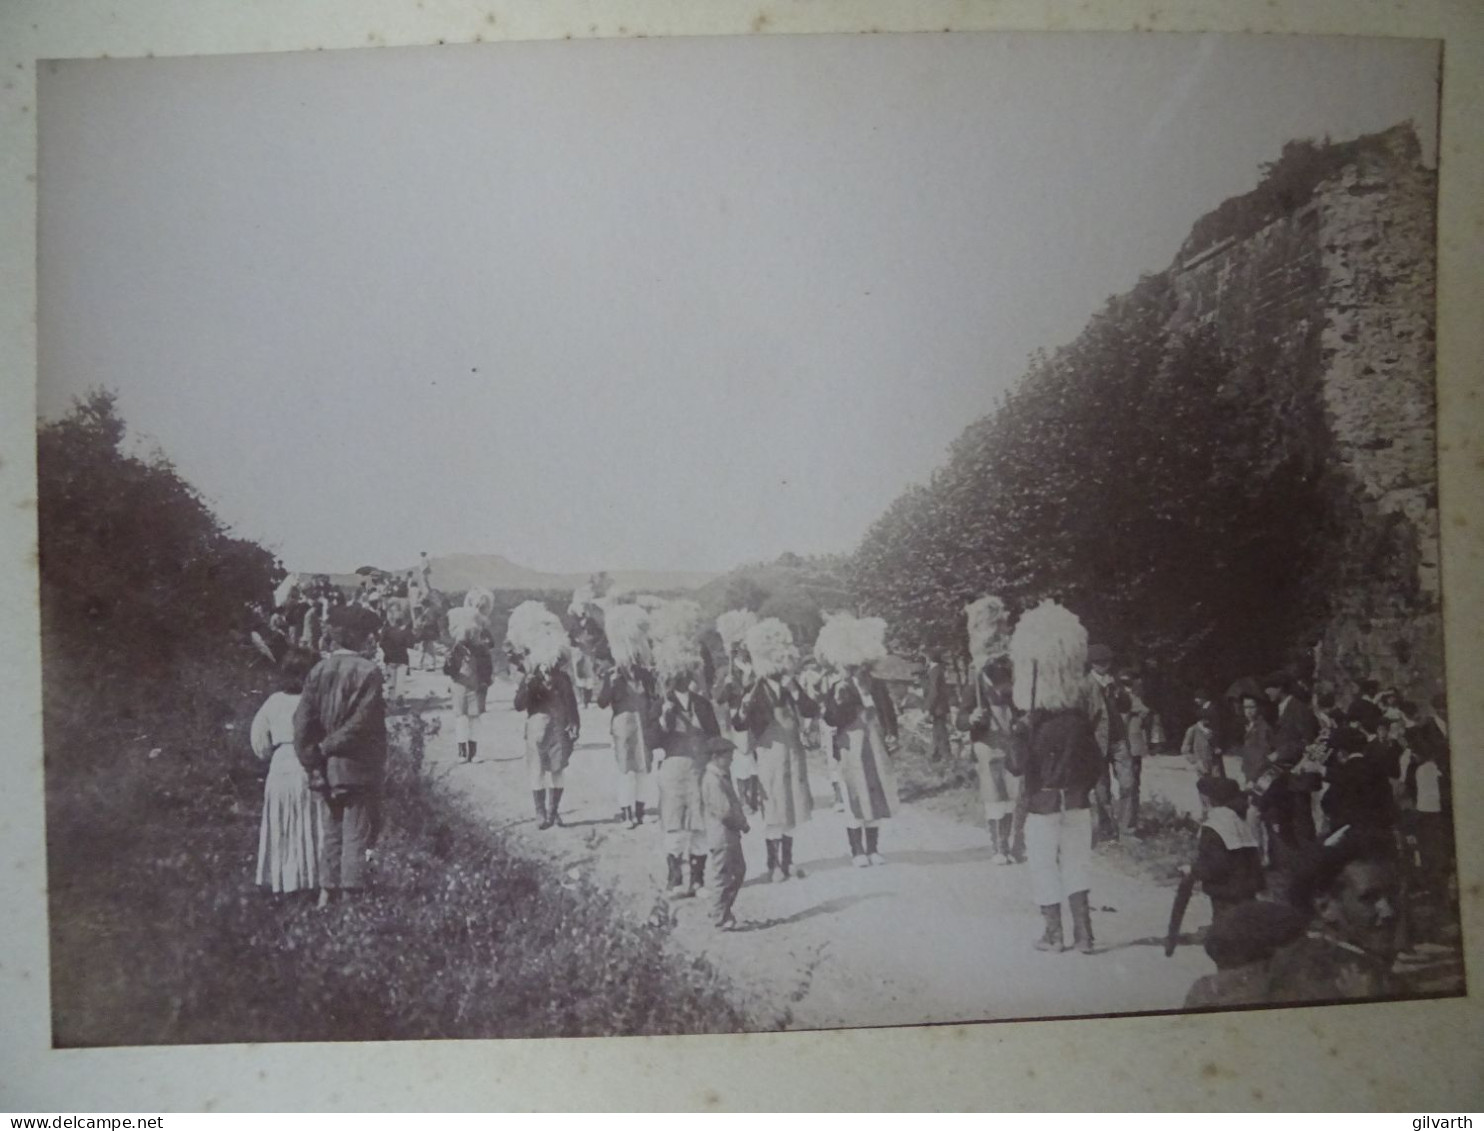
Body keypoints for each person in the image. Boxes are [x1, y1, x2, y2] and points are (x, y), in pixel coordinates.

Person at [1008, 601, 1106, 954]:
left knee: (1044, 867)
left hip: (1043, 804)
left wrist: (1018, 734)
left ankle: (1054, 934)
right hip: (1077, 802)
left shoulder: (1033, 725)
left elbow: (1016, 768)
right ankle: (1085, 936)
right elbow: (1096, 765)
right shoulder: (1079, 722)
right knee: (1078, 866)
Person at [293, 606, 387, 908]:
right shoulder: (369, 671)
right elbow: (363, 723)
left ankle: (325, 895)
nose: (371, 639)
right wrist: (328, 747)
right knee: (357, 834)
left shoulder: (318, 670)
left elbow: (301, 723)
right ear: (356, 636)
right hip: (357, 765)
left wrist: (313, 760)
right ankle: (352, 904)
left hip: (324, 768)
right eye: (367, 634)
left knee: (331, 832)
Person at [734, 618, 816, 884]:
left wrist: (795, 690)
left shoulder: (792, 688)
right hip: (769, 754)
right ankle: (774, 864)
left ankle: (788, 860)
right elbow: (739, 723)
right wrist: (744, 708)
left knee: (791, 804)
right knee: (773, 808)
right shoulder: (756, 690)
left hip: (792, 752)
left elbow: (811, 710)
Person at [820, 629, 900, 868]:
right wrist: (839, 701)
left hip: (874, 746)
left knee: (874, 794)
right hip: (849, 749)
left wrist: (893, 734)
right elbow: (831, 720)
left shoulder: (877, 686)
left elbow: (889, 714)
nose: (861, 670)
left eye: (864, 666)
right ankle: (857, 850)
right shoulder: (839, 687)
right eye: (856, 666)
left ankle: (873, 848)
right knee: (853, 794)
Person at [251, 648, 322, 894]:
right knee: (310, 820)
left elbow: (258, 740)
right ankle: (310, 880)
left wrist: (269, 755)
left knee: (282, 822)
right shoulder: (315, 702)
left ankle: (284, 881)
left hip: (280, 764)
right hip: (308, 762)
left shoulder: (273, 702)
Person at [654, 667, 722, 898]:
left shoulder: (702, 704)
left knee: (700, 824)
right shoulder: (662, 704)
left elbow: (715, 735)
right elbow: (652, 740)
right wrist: (664, 719)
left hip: (700, 768)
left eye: (684, 675)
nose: (680, 679)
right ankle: (674, 880)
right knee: (675, 825)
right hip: (674, 769)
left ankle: (698, 880)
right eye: (675, 676)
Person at [596, 604, 658, 829]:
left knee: (643, 769)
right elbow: (602, 703)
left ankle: (640, 812)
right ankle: (626, 813)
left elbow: (654, 697)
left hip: (643, 724)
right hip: (623, 726)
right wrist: (610, 687)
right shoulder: (614, 675)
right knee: (626, 771)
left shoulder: (645, 674)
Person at [958, 654, 1020, 864]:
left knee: (1011, 794)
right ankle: (998, 848)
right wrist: (971, 718)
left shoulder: (1008, 684)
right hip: (986, 744)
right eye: (993, 664)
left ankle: (1007, 844)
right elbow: (960, 720)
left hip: (1008, 744)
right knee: (994, 795)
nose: (998, 668)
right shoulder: (973, 689)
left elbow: (1018, 712)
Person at [513, 653, 581, 830]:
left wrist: (574, 723)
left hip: (559, 726)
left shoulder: (562, 677)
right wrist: (528, 686)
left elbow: (571, 702)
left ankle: (553, 811)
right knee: (537, 770)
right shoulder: (531, 678)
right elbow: (518, 705)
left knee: (557, 769)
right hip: (537, 727)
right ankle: (540, 812)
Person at [1189, 776, 1264, 923]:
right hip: (1247, 890)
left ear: (1208, 799)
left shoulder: (1214, 826)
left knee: (1227, 931)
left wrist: (1194, 870)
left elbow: (1216, 865)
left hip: (1225, 892)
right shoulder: (1239, 820)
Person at [1083, 643, 1135, 839]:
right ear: (1092, 664)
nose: (1104, 666)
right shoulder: (1085, 686)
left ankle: (1126, 830)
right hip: (1096, 742)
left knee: (1128, 783)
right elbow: (1084, 717)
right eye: (1100, 663)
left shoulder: (1115, 683)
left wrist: (1119, 693)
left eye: (1107, 662)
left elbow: (1125, 707)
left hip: (1119, 740)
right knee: (1101, 789)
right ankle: (1107, 829)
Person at [700, 736, 749, 930]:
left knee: (736, 872)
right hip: (723, 836)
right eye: (728, 756)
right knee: (724, 875)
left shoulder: (720, 776)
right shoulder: (713, 780)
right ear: (715, 756)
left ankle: (721, 910)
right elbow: (724, 811)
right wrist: (742, 824)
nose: (731, 760)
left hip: (728, 835)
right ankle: (719, 914)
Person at [444, 609, 494, 764]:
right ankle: (462, 752)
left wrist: (486, 681)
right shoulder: (456, 649)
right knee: (462, 718)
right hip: (460, 684)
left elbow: (488, 667)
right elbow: (447, 670)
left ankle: (472, 753)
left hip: (476, 684)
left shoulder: (481, 649)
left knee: (474, 718)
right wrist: (450, 659)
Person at [921, 650, 953, 762]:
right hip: (941, 707)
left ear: (930, 658)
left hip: (937, 707)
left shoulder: (934, 670)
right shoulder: (940, 670)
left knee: (940, 732)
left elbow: (933, 691)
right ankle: (935, 755)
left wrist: (928, 709)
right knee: (937, 731)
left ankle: (946, 756)